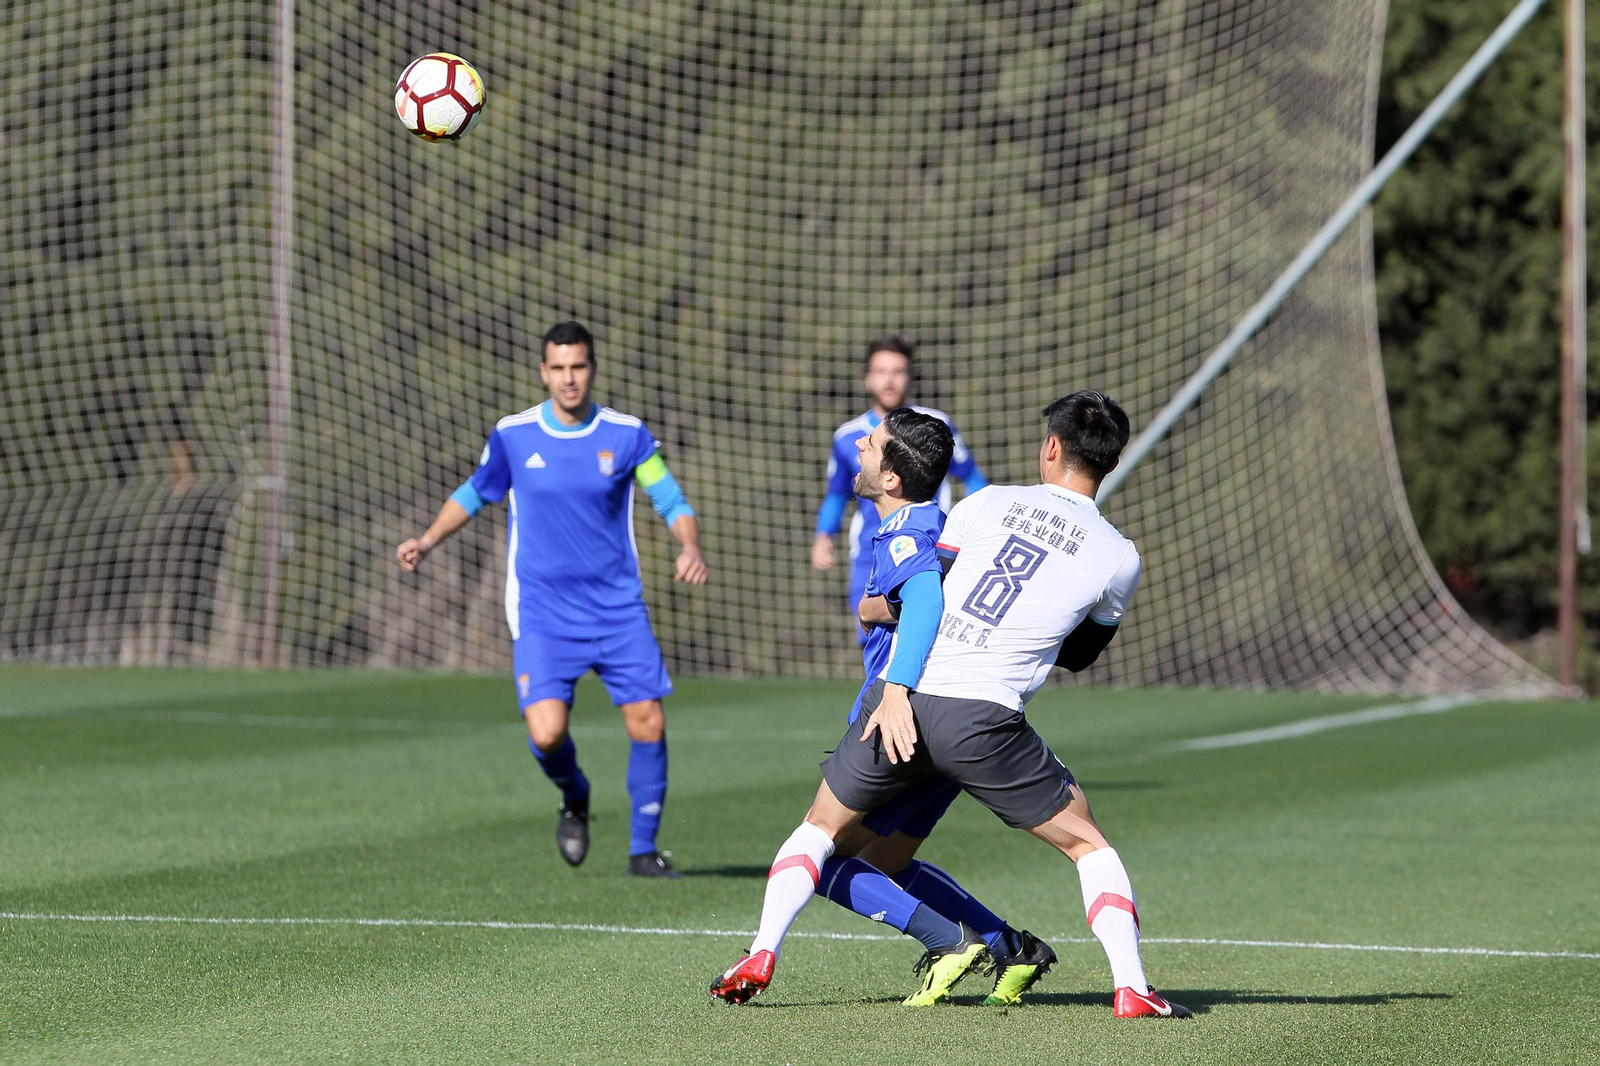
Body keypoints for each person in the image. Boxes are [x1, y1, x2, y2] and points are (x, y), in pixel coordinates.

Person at [712, 391, 1190, 1019]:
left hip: (903, 702)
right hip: (983, 722)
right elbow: (1079, 656)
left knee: (819, 833)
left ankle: (760, 953)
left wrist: (880, 627)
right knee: (1088, 845)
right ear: (1110, 460)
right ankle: (1130, 987)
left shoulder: (982, 504)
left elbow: (924, 595)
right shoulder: (1119, 556)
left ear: (1050, 446)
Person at [396, 321, 708, 878]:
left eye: (579, 366)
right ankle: (575, 793)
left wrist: (688, 544)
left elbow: (668, 495)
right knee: (546, 733)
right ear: (543, 372)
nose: (569, 378)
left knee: (648, 723)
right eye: (558, 368)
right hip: (543, 610)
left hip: (616, 609)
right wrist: (425, 539)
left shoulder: (627, 433)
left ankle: (643, 851)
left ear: (593, 369)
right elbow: (472, 492)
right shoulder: (514, 435)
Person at [806, 408, 1057, 1006]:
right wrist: (872, 606)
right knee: (886, 859)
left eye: (872, 442)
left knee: (818, 857)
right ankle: (1008, 946)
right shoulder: (945, 528)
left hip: (906, 718)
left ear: (894, 474)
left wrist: (893, 685)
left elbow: (922, 598)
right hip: (955, 719)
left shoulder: (905, 530)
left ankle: (950, 941)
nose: (860, 444)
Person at [811, 337, 987, 637]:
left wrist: (981, 529)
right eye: (881, 371)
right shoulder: (848, 437)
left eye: (898, 371)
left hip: (928, 548)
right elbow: (837, 494)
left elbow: (973, 480)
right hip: (870, 554)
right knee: (874, 644)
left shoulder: (934, 426)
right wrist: (823, 536)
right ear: (868, 379)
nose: (889, 379)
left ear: (909, 377)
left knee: (926, 636)